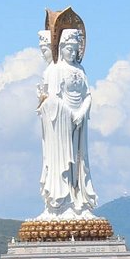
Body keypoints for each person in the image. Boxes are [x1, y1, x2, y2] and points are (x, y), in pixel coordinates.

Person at [36, 28, 97, 219]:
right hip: (61, 123)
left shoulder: (80, 69)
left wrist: (82, 112)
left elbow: (88, 95)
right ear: (61, 47)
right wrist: (71, 113)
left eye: (75, 49)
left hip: (79, 122)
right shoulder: (54, 70)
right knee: (62, 160)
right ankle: (61, 203)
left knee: (80, 161)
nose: (73, 52)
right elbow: (52, 100)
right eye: (69, 48)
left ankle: (80, 201)